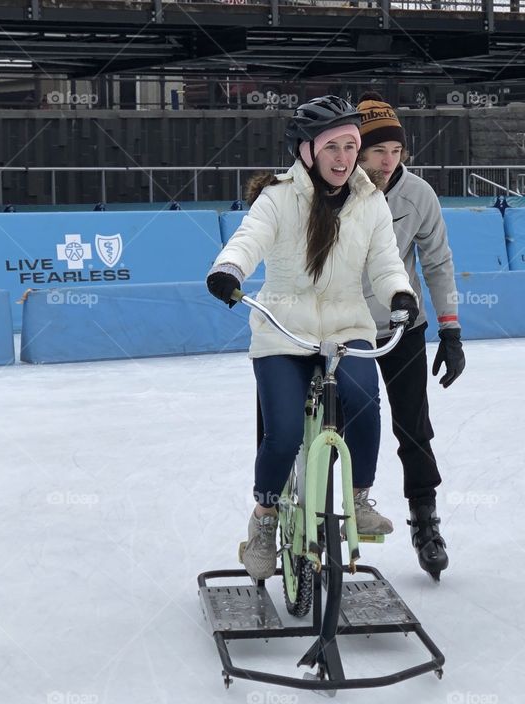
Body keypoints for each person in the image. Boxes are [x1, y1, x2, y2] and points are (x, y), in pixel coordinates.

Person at [205, 95, 418, 581]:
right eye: (332, 148)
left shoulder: (370, 202)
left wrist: (400, 293)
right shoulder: (278, 197)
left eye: (351, 146)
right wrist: (229, 268)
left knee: (363, 401)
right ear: (307, 151)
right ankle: (264, 519)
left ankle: (359, 499)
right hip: (284, 329)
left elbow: (386, 262)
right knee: (282, 432)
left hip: (347, 327)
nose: (343, 158)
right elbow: (249, 239)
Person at [355, 92, 465, 580]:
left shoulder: (418, 195)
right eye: (378, 151)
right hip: (348, 329)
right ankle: (326, 513)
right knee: (346, 422)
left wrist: (450, 330)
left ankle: (425, 519)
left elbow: (438, 262)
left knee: (413, 428)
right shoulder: (338, 189)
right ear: (357, 150)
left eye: (396, 151)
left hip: (403, 327)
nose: (388, 161)